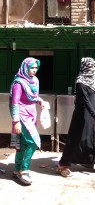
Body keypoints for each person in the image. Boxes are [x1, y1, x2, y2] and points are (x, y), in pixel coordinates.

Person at [57, 57, 95, 177]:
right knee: (74, 140)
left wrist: (93, 115)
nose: (93, 69)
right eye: (90, 67)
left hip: (90, 116)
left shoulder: (93, 81)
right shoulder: (80, 82)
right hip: (81, 116)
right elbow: (85, 101)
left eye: (94, 66)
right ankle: (62, 165)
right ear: (84, 67)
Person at [9, 57, 49, 185]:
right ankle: (24, 169)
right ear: (25, 67)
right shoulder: (18, 83)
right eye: (32, 67)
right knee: (34, 141)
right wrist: (16, 121)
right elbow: (14, 102)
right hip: (21, 116)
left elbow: (33, 96)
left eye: (36, 68)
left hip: (31, 114)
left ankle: (16, 169)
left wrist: (40, 101)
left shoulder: (34, 81)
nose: (34, 70)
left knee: (23, 143)